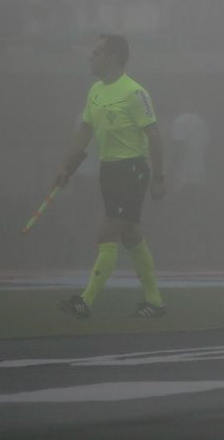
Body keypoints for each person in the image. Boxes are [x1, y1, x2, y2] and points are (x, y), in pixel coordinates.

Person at [54, 35, 167, 318]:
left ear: (114, 57)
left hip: (130, 169)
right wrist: (65, 166)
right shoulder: (95, 90)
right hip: (109, 169)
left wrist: (159, 176)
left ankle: (86, 301)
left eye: (97, 53)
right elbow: (84, 132)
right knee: (130, 234)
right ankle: (155, 302)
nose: (90, 57)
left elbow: (153, 134)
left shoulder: (135, 92)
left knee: (107, 232)